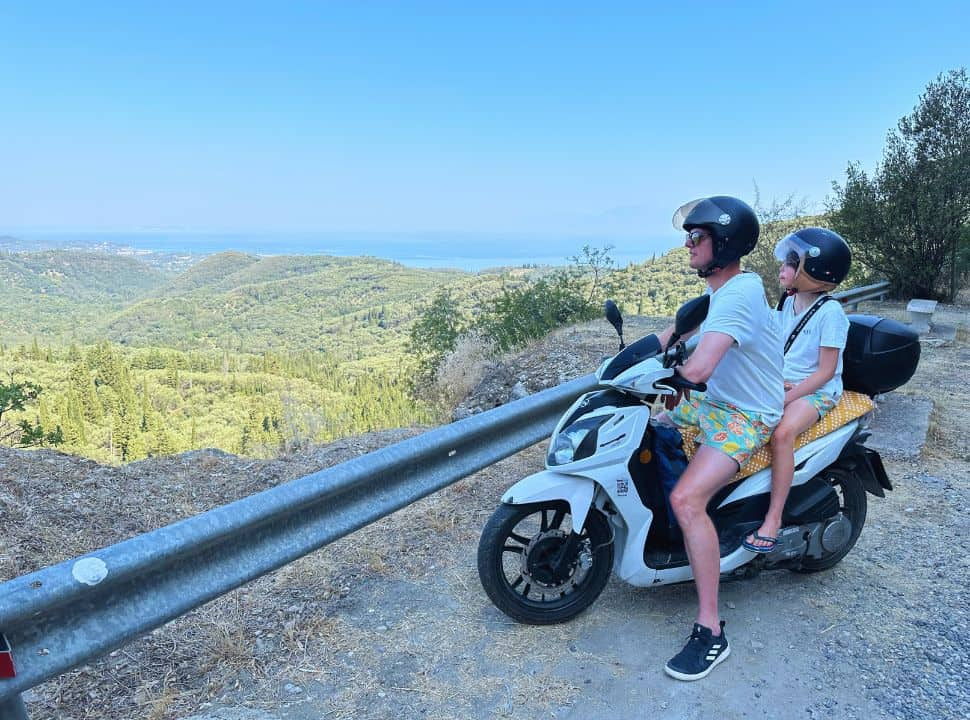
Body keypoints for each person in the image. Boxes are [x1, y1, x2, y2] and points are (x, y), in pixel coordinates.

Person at [654, 196, 784, 681]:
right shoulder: (723, 292)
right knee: (651, 431)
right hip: (716, 403)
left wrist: (673, 374)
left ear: (724, 242)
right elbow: (678, 334)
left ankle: (710, 629)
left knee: (688, 499)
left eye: (697, 236)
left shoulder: (738, 295)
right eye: (687, 235)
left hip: (745, 414)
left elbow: (701, 366)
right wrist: (632, 360)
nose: (687, 244)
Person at [743, 228, 852, 552]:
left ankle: (773, 518)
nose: (782, 268)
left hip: (819, 390)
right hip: (785, 381)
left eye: (791, 262)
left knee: (781, 434)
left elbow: (825, 371)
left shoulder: (831, 314)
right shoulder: (787, 304)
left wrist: (786, 397)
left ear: (815, 272)